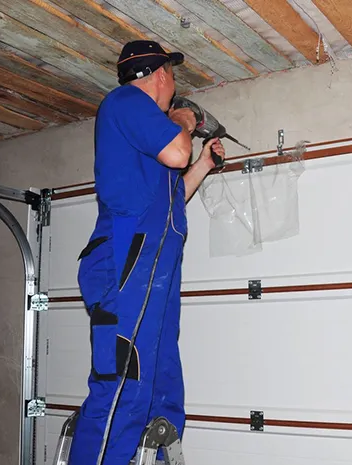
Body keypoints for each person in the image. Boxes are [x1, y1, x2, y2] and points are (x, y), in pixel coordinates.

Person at [69, 40, 225, 465]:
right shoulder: (124, 101)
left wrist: (204, 166)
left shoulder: (147, 148)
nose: (173, 86)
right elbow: (177, 149)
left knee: (161, 386)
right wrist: (185, 120)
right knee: (122, 383)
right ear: (161, 76)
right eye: (172, 77)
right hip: (123, 264)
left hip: (152, 276)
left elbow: (174, 194)